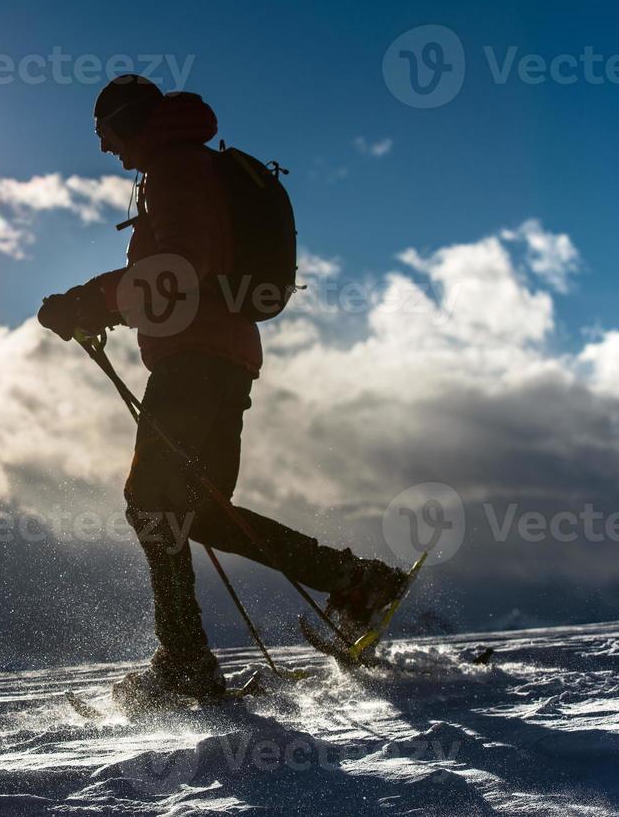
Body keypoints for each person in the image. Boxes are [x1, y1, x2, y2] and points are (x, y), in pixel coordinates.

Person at [37, 75, 408, 703]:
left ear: (129, 123)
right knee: (198, 510)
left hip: (194, 361)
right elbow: (176, 270)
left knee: (154, 502)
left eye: (105, 135)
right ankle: (356, 582)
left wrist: (87, 303)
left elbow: (176, 269)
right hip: (222, 358)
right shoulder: (187, 167)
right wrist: (100, 306)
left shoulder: (175, 171)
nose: (105, 150)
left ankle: (184, 665)